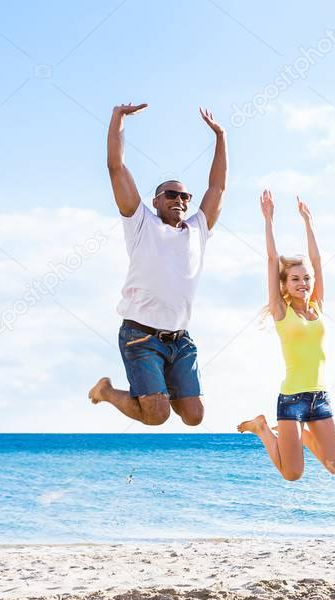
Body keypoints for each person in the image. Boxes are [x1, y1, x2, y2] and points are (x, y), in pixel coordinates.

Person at [89, 103, 227, 427]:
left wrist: (221, 136)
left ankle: (159, 388)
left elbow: (218, 187)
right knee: (157, 415)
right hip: (141, 336)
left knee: (194, 416)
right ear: (156, 200)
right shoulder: (141, 223)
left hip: (180, 340)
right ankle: (108, 391)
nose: (179, 200)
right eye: (171, 194)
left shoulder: (198, 231)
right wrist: (117, 118)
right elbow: (115, 166)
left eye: (184, 197)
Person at [237, 191, 335, 480]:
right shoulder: (281, 311)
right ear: (285, 283)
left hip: (320, 397)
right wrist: (269, 219)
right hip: (292, 399)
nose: (303, 283)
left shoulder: (317, 306)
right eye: (295, 279)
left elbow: (317, 260)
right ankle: (262, 428)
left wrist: (308, 222)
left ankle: (306, 436)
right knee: (292, 474)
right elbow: (272, 259)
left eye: (306, 278)